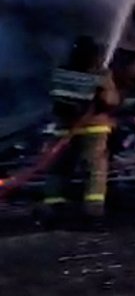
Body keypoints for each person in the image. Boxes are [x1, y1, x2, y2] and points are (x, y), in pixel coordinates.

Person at [41, 36, 121, 221]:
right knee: (95, 169)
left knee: (58, 168)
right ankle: (93, 208)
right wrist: (106, 86)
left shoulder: (61, 72)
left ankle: (53, 204)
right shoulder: (100, 74)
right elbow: (110, 101)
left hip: (64, 128)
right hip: (94, 128)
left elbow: (57, 97)